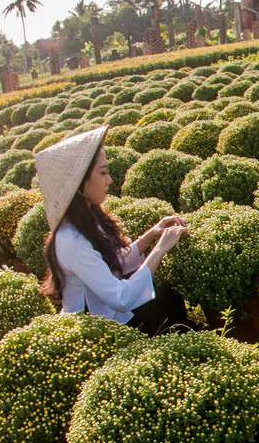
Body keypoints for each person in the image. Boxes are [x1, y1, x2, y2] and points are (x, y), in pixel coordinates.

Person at [35, 126, 189, 333]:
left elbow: (116, 262)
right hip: (97, 332)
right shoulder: (71, 240)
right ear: (80, 183)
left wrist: (152, 234)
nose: (109, 180)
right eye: (103, 173)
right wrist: (160, 249)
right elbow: (120, 298)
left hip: (111, 318)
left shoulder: (88, 219)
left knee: (169, 297)